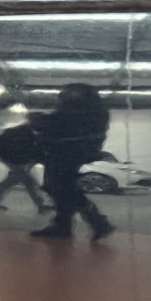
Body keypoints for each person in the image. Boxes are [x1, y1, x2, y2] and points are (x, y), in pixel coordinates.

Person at [29, 84, 114, 239]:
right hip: (70, 151)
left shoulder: (79, 109)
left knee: (62, 187)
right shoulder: (93, 110)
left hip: (67, 151)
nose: (63, 94)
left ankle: (95, 222)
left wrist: (42, 122)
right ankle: (65, 224)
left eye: (69, 91)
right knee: (61, 187)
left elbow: (64, 125)